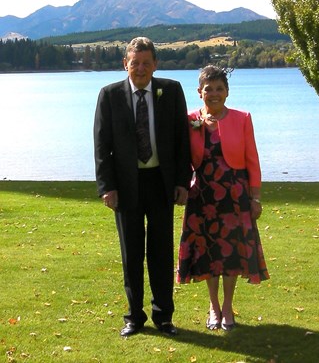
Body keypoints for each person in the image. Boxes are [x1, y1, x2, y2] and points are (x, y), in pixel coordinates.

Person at [94, 37, 192, 337]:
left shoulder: (171, 91)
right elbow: (102, 146)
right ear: (125, 63)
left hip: (161, 184)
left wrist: (181, 182)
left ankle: (163, 317)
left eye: (146, 63)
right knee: (132, 254)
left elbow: (181, 141)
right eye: (134, 63)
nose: (140, 69)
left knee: (161, 253)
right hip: (126, 187)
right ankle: (134, 318)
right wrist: (107, 188)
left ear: (155, 65)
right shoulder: (109, 95)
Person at [177, 65, 270, 331]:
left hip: (235, 196)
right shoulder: (189, 120)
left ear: (227, 92)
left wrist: (255, 197)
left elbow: (252, 160)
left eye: (219, 89)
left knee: (230, 253)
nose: (214, 94)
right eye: (209, 89)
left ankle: (228, 306)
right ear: (199, 92)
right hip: (202, 198)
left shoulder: (243, 118)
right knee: (208, 254)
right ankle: (213, 307)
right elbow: (183, 159)